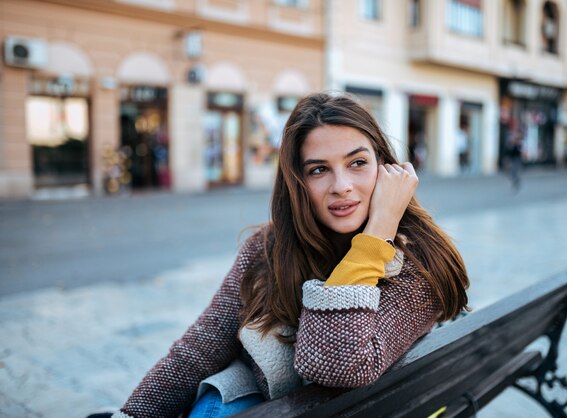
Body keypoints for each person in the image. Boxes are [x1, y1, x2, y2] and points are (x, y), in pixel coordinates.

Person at [110, 93, 469, 418]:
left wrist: (378, 233)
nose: (341, 185)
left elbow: (338, 363)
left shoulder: (418, 264)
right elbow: (200, 349)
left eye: (357, 163)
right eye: (318, 170)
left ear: (385, 168)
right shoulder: (270, 248)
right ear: (297, 182)